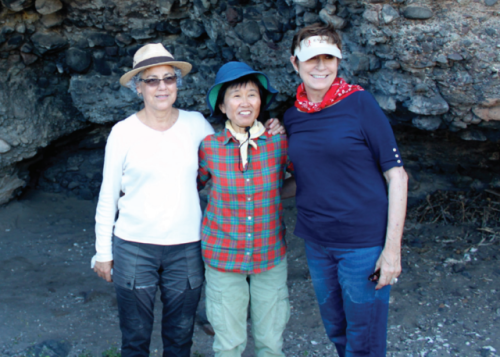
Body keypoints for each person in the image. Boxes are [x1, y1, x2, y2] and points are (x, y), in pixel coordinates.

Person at [91, 44, 284, 357]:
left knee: (180, 337)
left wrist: (271, 129)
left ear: (177, 83)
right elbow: (108, 195)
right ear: (138, 87)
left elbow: (231, 154)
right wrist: (102, 252)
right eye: (151, 80)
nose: (162, 86)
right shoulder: (122, 133)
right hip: (134, 245)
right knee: (135, 336)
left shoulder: (196, 125)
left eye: (168, 78)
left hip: (188, 246)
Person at [283, 23, 408, 356]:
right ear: (295, 63)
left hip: (362, 245)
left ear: (339, 61)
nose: (321, 66)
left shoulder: (360, 104)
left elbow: (397, 176)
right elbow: (305, 179)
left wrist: (392, 251)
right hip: (317, 242)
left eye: (329, 57)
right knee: (337, 331)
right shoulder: (293, 117)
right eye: (312, 59)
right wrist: (249, 187)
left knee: (364, 341)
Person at [198, 62, 294, 357]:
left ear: (260, 102)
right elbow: (189, 187)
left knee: (271, 344)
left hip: (269, 254)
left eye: (252, 94)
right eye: (235, 96)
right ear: (223, 106)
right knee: (228, 344)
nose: (244, 102)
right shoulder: (209, 147)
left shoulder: (279, 141)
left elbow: (304, 180)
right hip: (223, 255)